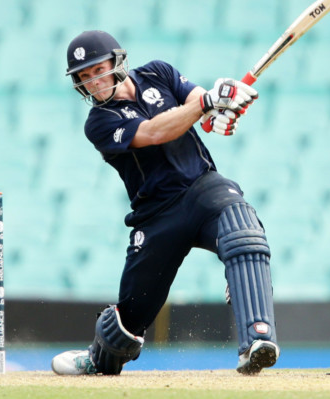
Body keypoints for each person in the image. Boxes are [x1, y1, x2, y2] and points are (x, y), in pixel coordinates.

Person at [51, 30, 280, 376]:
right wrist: (206, 105)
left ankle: (257, 342)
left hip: (202, 188)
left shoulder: (158, 72)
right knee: (128, 321)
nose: (93, 82)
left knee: (243, 231)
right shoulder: (99, 122)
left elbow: (200, 102)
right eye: (84, 78)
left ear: (116, 63)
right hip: (156, 216)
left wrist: (220, 106)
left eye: (97, 70)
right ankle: (99, 359)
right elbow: (156, 132)